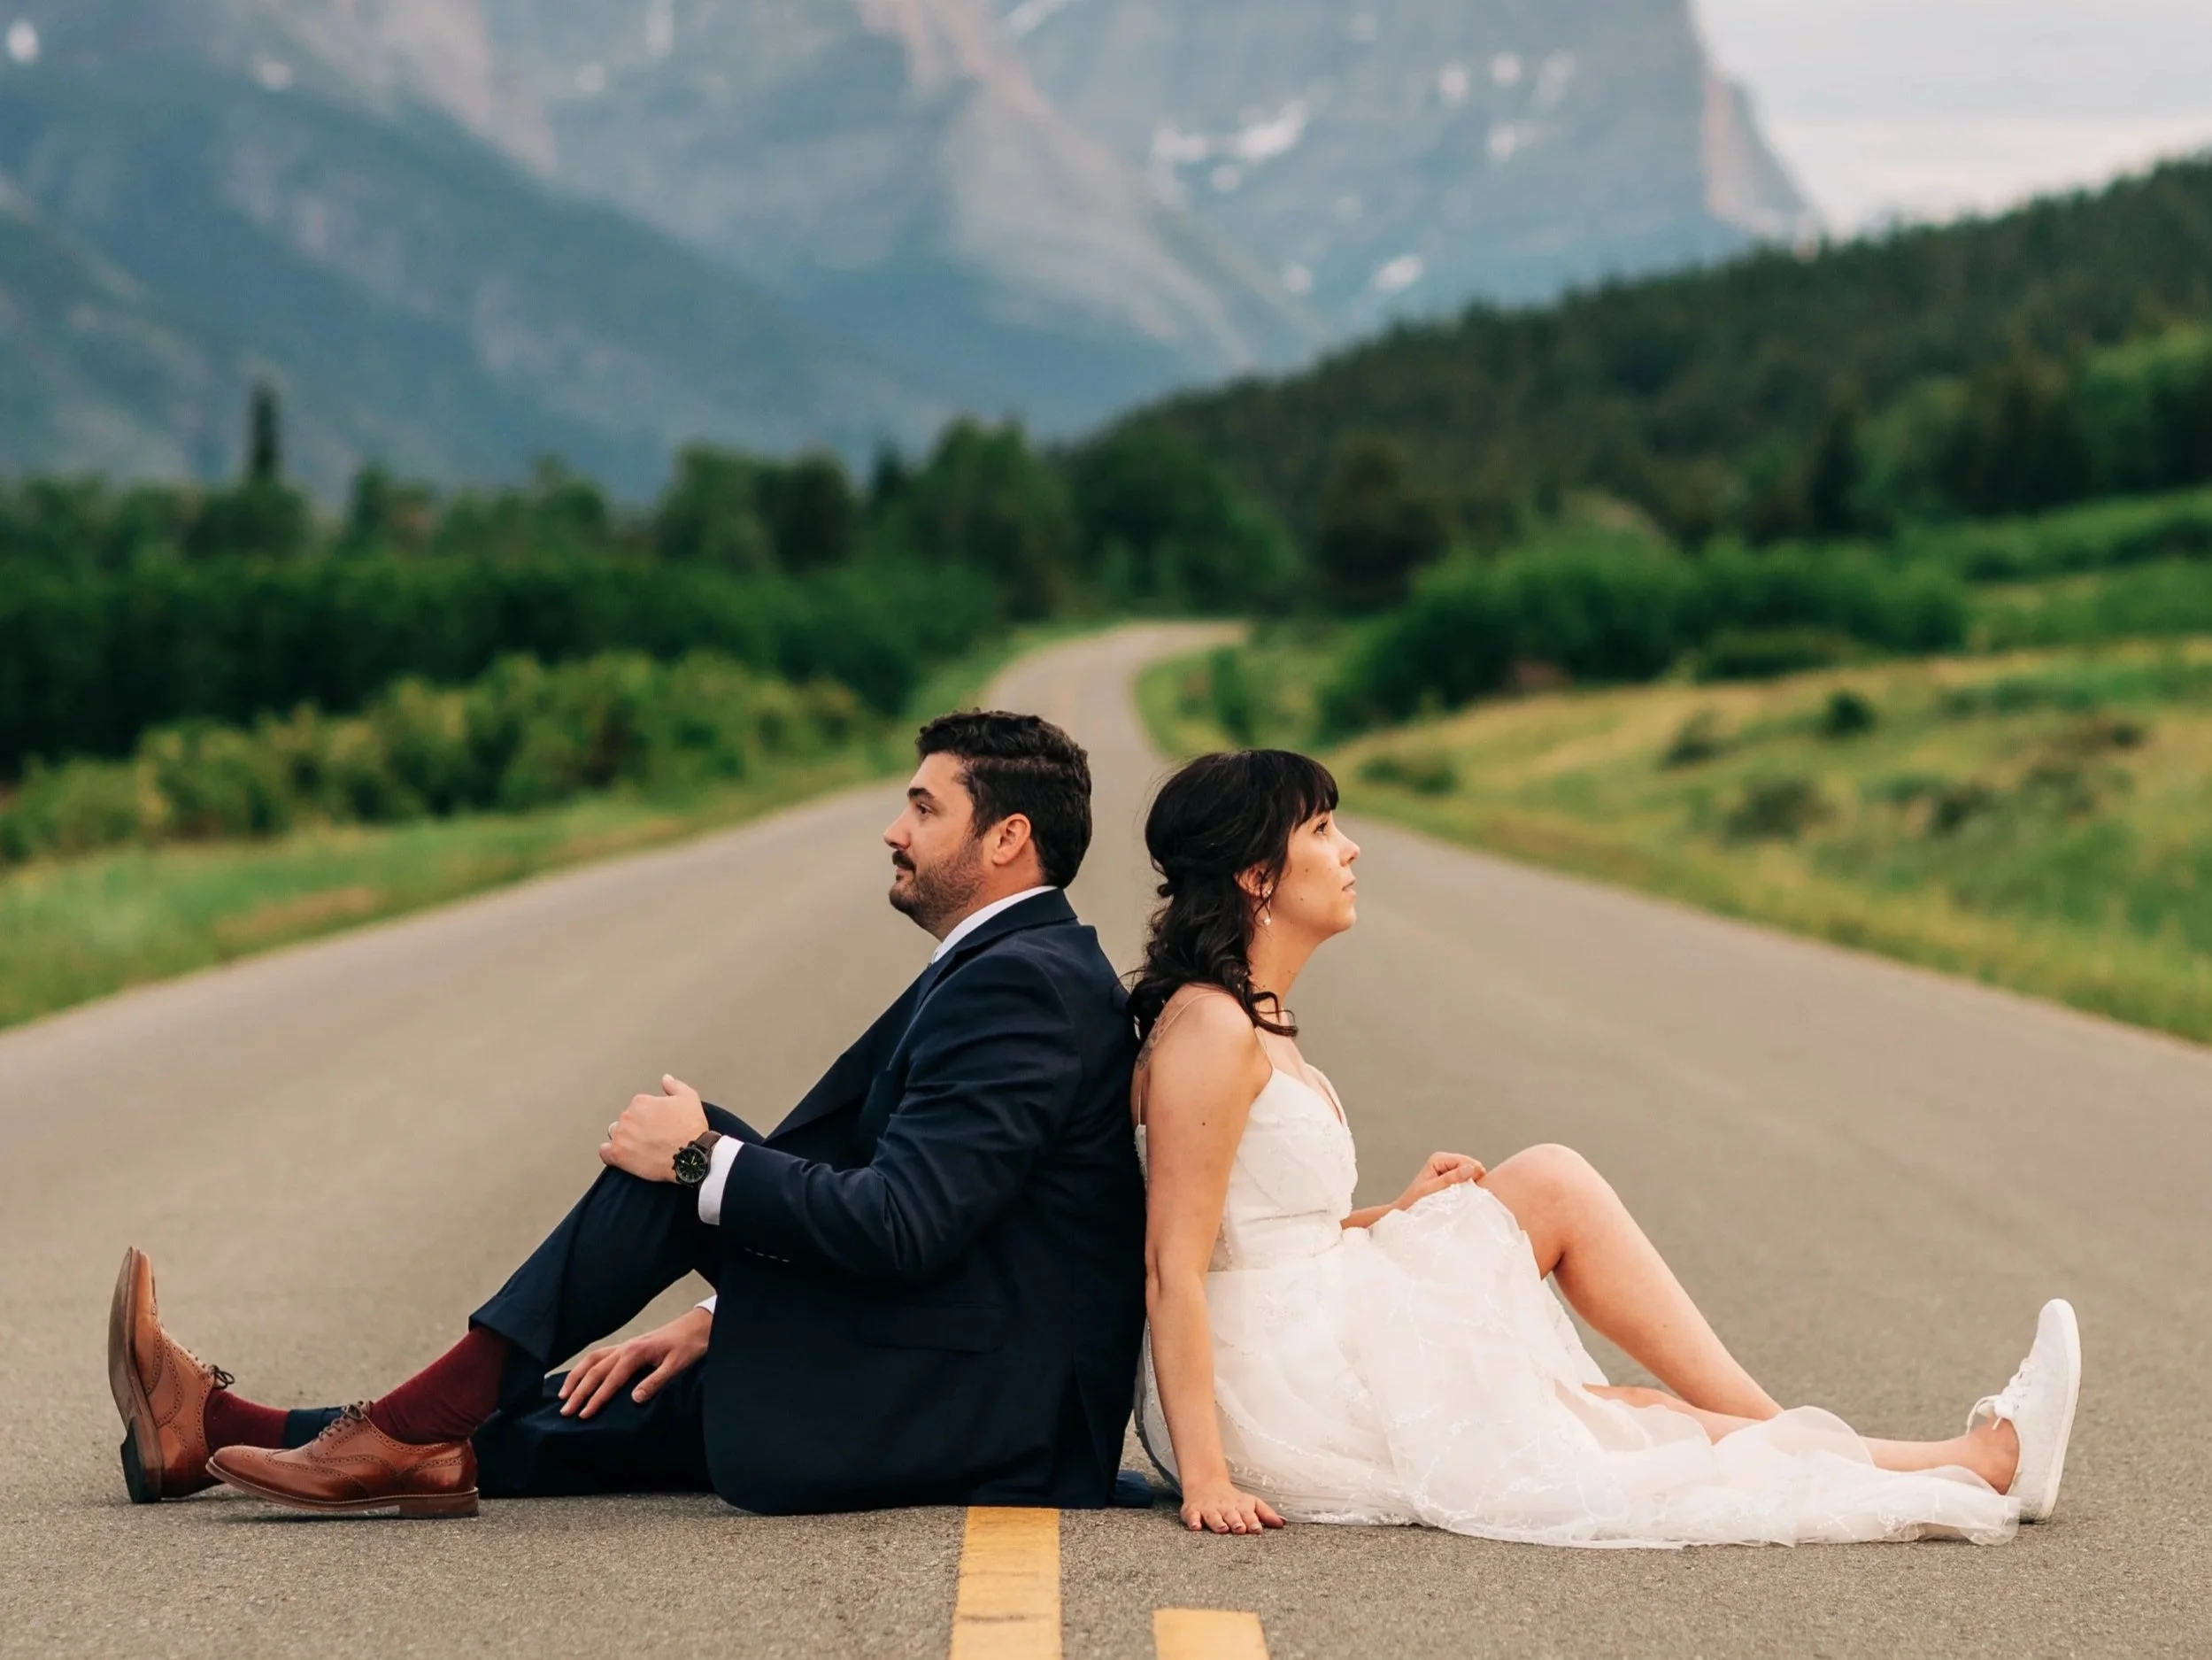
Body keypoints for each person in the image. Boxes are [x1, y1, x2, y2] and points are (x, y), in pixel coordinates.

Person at [107, 711, 1147, 1517]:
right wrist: (716, 1312)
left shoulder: (1020, 987)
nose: (893, 828)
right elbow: (964, 1213)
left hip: (983, 1410)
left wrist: (701, 1164)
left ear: (1009, 837)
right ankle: (242, 1432)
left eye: (924, 807)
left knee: (677, 1172)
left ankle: (401, 1433)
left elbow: (907, 1221)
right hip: (954, 1360)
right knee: (631, 1388)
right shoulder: (1016, 967)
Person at [1129, 748, 2081, 1547]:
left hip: (1312, 1323)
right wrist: (1206, 1475)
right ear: (1258, 876)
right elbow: (1176, 1263)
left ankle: (1960, 1460)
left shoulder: (1255, 1023)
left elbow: (1264, 1229)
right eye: (1324, 830)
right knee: (1613, 1414)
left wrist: (1395, 1215)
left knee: (1624, 1397)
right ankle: (1951, 1458)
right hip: (1272, 1387)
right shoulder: (1212, 1033)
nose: (1351, 848)